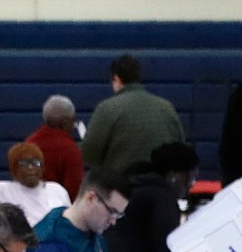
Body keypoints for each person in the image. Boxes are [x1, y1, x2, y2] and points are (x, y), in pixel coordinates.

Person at [80, 54, 186, 184]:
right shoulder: (166, 107)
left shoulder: (107, 108)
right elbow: (181, 151)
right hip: (162, 188)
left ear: (116, 79)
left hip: (121, 190)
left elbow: (88, 154)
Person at [106, 142, 194, 252]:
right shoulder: (163, 198)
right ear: (173, 175)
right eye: (189, 178)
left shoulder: (136, 183)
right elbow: (164, 248)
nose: (190, 185)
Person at [29, 95, 85, 199]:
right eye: (73, 121)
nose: (73, 126)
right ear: (64, 123)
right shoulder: (70, 150)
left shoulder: (28, 143)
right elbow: (74, 192)